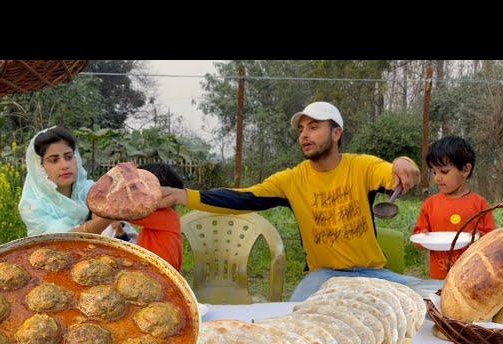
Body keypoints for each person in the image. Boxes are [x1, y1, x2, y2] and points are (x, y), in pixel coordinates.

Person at [157, 101, 421, 301]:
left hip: (372, 273)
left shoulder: (362, 166)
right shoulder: (291, 180)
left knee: (431, 300)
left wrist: (404, 162)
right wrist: (185, 196)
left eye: (314, 127)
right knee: (296, 321)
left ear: (336, 133)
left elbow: (393, 173)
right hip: (322, 276)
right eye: (301, 129)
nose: (304, 135)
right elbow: (243, 198)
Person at [412, 136, 496, 280]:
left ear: (465, 170)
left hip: (472, 278)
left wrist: (479, 236)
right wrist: (423, 237)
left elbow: (493, 241)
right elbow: (418, 241)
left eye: (444, 172)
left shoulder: (480, 205)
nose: (437, 178)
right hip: (439, 279)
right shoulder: (430, 204)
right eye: (434, 172)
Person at [19, 127, 114, 236]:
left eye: (68, 157)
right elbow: (60, 240)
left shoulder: (90, 190)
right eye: (54, 160)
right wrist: (105, 220)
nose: (65, 165)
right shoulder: (32, 206)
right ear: (39, 167)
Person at [129, 163, 184, 271]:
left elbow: (123, 212)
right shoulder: (168, 218)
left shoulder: (165, 215)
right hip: (156, 270)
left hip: (160, 273)